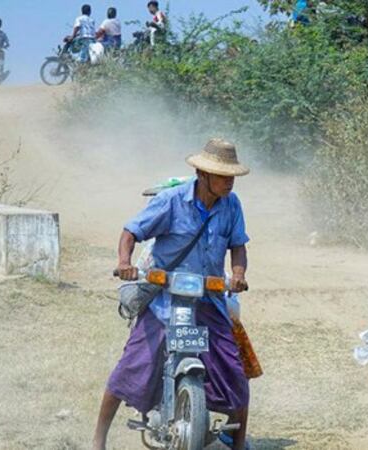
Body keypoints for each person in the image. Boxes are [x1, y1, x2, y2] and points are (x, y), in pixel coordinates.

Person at [91, 139, 252, 450]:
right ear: (202, 174)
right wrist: (124, 263)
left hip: (209, 299)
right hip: (165, 299)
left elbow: (238, 246)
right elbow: (131, 232)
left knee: (235, 369)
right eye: (223, 175)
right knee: (133, 365)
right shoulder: (171, 201)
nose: (230, 182)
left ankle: (239, 442)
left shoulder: (232, 205)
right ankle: (99, 439)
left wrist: (240, 274)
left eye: (232, 176)